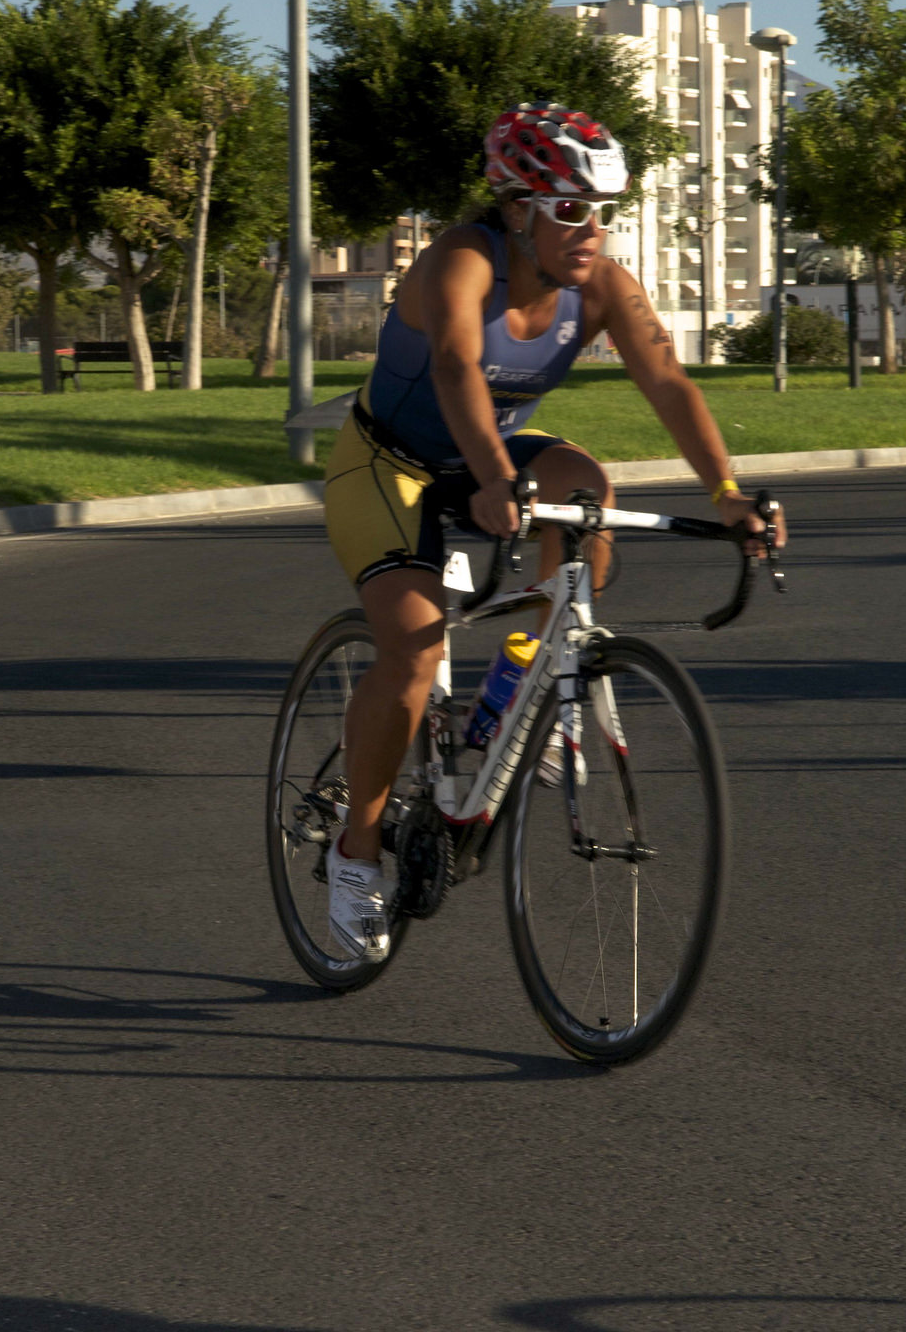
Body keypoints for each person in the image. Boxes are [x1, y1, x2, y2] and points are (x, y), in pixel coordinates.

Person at [320, 101, 788, 962]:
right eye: (571, 209)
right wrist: (496, 479)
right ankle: (356, 850)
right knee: (415, 652)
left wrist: (727, 494)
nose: (591, 231)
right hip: (390, 463)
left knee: (588, 487)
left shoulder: (603, 286)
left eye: (602, 211)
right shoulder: (462, 260)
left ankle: (524, 685)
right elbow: (459, 364)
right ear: (518, 208)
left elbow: (671, 384)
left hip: (489, 455)